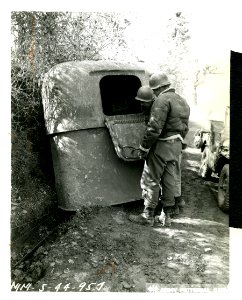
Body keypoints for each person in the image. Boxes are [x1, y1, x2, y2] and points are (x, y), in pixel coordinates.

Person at [129, 73, 190, 227]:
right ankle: (166, 216)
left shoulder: (162, 100)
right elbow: (185, 127)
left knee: (150, 179)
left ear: (159, 87)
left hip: (162, 145)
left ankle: (148, 215)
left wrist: (144, 147)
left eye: (154, 90)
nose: (154, 94)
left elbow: (154, 128)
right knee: (170, 179)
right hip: (176, 145)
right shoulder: (182, 100)